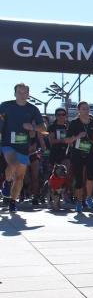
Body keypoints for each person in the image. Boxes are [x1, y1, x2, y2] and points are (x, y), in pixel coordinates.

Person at [0, 83, 46, 212]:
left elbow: (44, 130)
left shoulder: (33, 109)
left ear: (28, 94)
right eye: (19, 92)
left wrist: (32, 127)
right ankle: (7, 182)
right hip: (7, 144)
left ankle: (13, 202)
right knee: (13, 163)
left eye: (25, 92)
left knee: (20, 177)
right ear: (14, 93)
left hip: (23, 147)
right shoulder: (5, 106)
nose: (22, 94)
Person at [66, 101, 93, 212]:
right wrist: (78, 136)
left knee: (91, 176)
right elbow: (67, 140)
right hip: (77, 153)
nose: (86, 110)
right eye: (83, 108)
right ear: (78, 110)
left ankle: (89, 198)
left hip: (90, 152)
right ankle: (79, 202)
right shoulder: (74, 123)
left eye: (87, 108)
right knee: (79, 179)